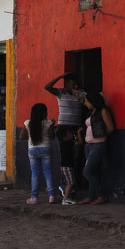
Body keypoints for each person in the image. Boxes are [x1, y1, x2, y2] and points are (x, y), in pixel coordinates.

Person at [44, 71, 86, 204]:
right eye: (73, 83)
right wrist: (60, 77)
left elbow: (87, 99)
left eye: (76, 84)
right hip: (63, 129)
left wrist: (73, 91)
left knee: (75, 158)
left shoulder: (80, 94)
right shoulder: (60, 92)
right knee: (65, 159)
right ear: (67, 84)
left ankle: (70, 187)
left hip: (76, 128)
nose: (75, 85)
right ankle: (65, 186)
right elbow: (47, 87)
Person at [80, 91, 114, 205]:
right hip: (88, 145)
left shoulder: (103, 111)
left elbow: (110, 128)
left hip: (98, 144)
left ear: (93, 101)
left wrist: (101, 137)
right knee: (93, 171)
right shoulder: (91, 112)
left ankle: (101, 195)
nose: (85, 103)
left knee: (87, 172)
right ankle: (90, 196)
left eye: (87, 101)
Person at [23, 102, 58, 204]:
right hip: (46, 149)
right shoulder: (48, 123)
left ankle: (34, 197)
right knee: (48, 172)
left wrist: (31, 136)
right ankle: (51, 196)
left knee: (35, 173)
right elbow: (52, 136)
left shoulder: (27, 123)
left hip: (32, 149)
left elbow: (22, 137)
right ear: (44, 113)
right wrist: (52, 125)